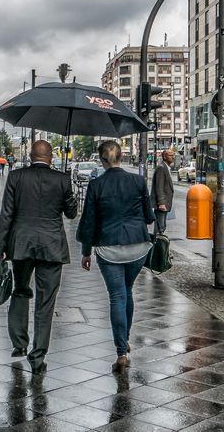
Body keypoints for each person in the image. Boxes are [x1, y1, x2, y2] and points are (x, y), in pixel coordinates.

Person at [0, 140, 78, 373]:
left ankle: (19, 343)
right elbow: (71, 214)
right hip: (52, 247)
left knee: (20, 291)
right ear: (51, 157)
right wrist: (69, 196)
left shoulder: (16, 177)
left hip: (22, 245)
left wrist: (1, 246)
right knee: (46, 302)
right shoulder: (62, 179)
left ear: (31, 156)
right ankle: (38, 355)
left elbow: (7, 214)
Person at [76, 140, 155, 371]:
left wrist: (86, 251)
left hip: (108, 248)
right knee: (126, 292)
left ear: (101, 160)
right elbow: (149, 217)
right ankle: (125, 338)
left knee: (117, 296)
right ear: (121, 157)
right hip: (137, 246)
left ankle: (121, 351)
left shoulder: (96, 185)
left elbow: (89, 221)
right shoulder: (138, 181)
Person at [151, 149, 175, 234]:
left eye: (173, 155)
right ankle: (157, 245)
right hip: (161, 205)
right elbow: (159, 187)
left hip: (164, 204)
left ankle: (158, 245)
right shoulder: (161, 168)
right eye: (170, 155)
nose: (173, 157)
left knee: (162, 226)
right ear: (164, 157)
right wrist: (161, 203)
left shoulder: (165, 167)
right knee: (160, 228)